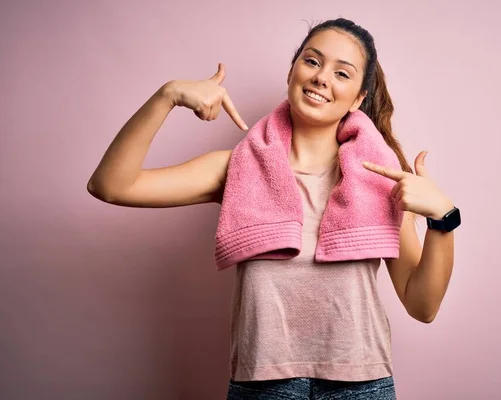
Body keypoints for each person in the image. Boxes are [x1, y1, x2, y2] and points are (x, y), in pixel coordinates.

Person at [87, 18, 458, 400]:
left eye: (342, 73)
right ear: (292, 70)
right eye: (312, 62)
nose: (321, 78)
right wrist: (167, 96)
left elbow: (422, 304)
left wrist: (443, 220)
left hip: (362, 385)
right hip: (263, 385)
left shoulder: (382, 179)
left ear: (359, 98)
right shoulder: (237, 169)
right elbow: (111, 186)